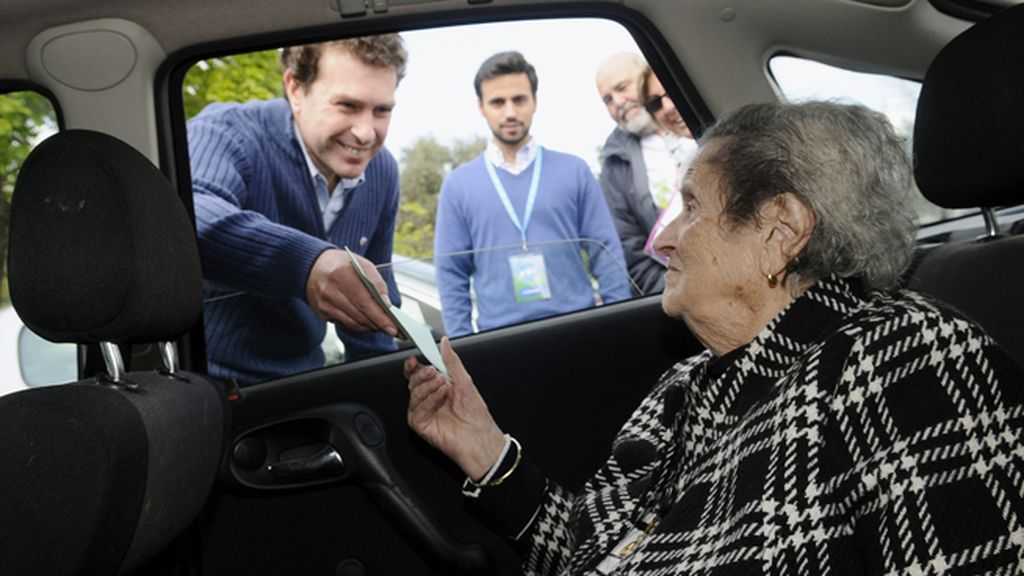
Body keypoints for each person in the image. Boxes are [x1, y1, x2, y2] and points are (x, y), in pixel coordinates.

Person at [405, 102, 1024, 574]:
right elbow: (596, 550)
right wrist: (488, 453)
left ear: (780, 230)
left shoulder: (905, 360)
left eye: (692, 206)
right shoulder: (688, 383)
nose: (663, 238)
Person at [188, 35, 406, 384]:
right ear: (295, 88)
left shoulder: (382, 171)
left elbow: (374, 309)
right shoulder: (228, 132)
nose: (366, 134)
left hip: (304, 382)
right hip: (209, 387)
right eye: (347, 106)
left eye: (382, 110)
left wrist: (390, 387)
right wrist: (309, 265)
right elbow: (191, 214)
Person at [434, 51, 631, 338]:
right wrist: (464, 346)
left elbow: (605, 251)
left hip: (582, 330)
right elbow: (451, 274)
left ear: (534, 101)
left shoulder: (575, 170)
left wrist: (621, 325)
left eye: (519, 99)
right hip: (499, 343)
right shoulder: (457, 185)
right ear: (481, 107)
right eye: (498, 102)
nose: (510, 112)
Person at [595, 52, 697, 295]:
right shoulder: (614, 164)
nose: (618, 102)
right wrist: (680, 292)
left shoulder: (698, 124)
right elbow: (631, 251)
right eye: (607, 99)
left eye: (622, 88)